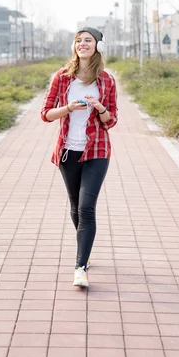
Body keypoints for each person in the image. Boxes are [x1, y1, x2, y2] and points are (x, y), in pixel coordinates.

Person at [41, 27, 118, 288]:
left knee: (87, 208)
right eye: (79, 41)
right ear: (74, 47)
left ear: (97, 46)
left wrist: (101, 108)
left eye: (88, 40)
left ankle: (80, 267)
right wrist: (68, 108)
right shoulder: (62, 78)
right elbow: (46, 114)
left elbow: (112, 120)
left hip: (97, 151)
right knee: (75, 206)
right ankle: (84, 247)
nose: (83, 44)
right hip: (67, 152)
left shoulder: (106, 80)